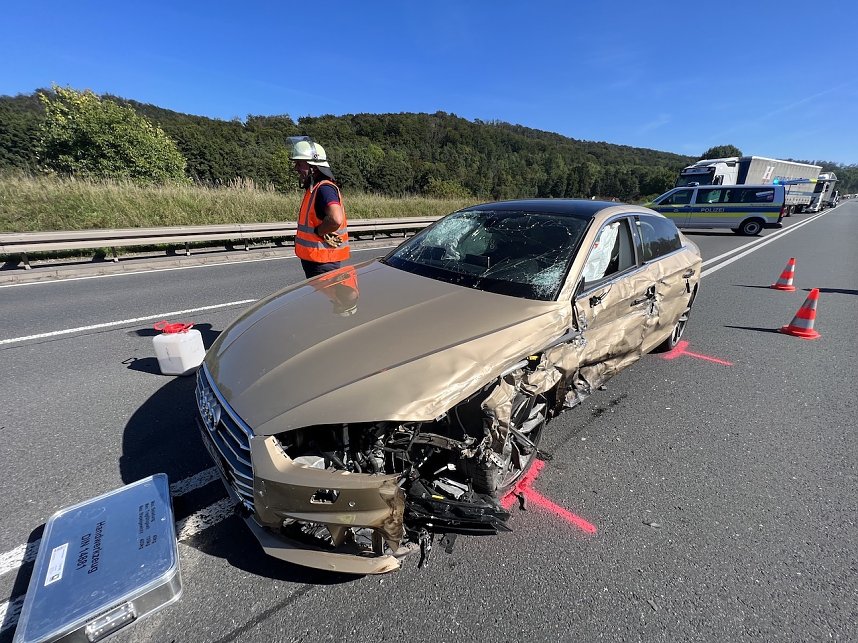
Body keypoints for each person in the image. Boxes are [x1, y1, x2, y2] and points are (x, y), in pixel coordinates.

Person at [288, 136, 350, 278]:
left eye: (299, 163)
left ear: (313, 166)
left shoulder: (324, 189)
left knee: (324, 300)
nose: (296, 168)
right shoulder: (315, 188)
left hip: (323, 263)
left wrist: (320, 231)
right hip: (317, 260)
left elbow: (336, 219)